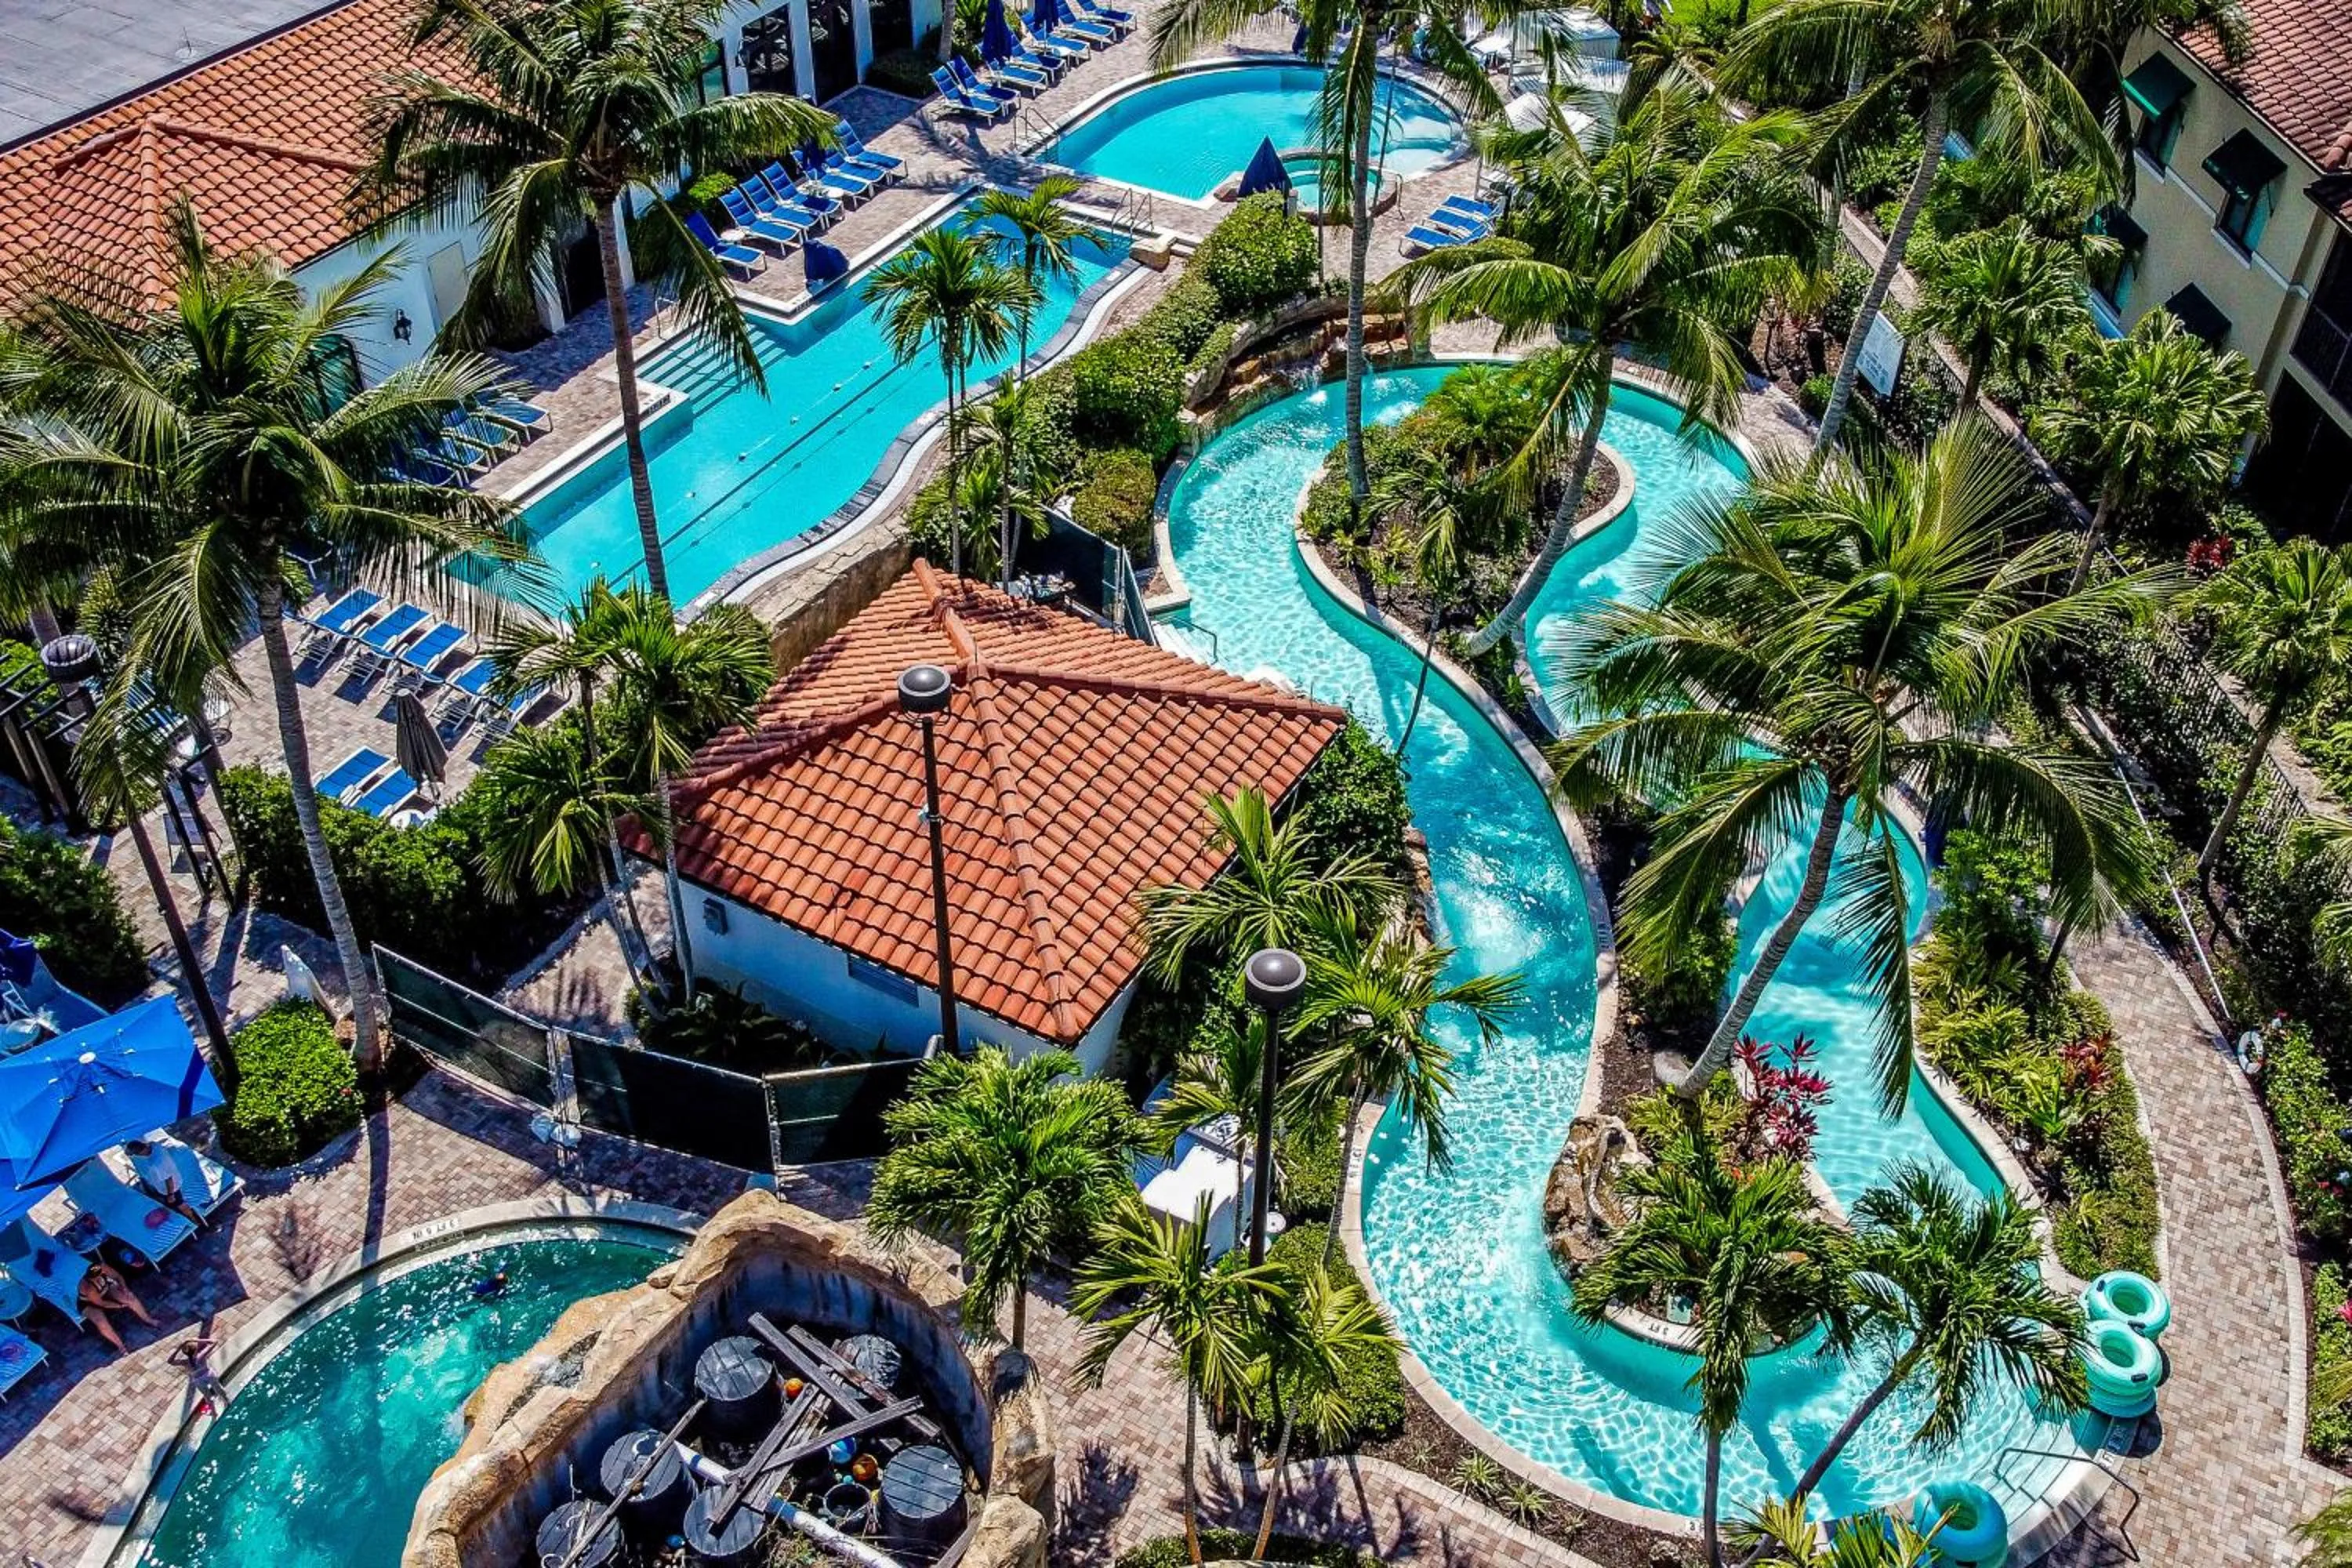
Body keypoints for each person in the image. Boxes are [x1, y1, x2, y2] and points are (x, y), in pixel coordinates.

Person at [78, 1262, 157, 1355]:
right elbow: (102, 1304)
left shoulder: (103, 1267)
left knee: (128, 1298)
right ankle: (121, 1346)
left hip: (105, 1290)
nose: (97, 1278)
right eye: (95, 1278)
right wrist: (119, 1305)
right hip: (90, 1303)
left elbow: (118, 1277)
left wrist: (125, 1289)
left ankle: (148, 1319)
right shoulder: (89, 1288)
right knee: (101, 1322)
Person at [124, 1138, 205, 1227]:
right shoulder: (155, 1146)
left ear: (140, 1152)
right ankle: (192, 1218)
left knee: (180, 1205)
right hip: (174, 1180)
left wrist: (171, 1195)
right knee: (178, 1203)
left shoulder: (157, 1164)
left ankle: (195, 1222)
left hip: (171, 1188)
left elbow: (169, 1180)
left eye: (136, 1154)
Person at [169, 1334, 227, 1413]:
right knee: (219, 1390)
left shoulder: (185, 1363)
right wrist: (196, 1340)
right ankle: (227, 1402)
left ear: (185, 1353)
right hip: (208, 1374)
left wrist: (179, 1347)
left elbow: (170, 1361)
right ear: (195, 1349)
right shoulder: (201, 1356)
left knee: (207, 1397)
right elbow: (214, 1341)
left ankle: (214, 1413)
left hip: (198, 1380)